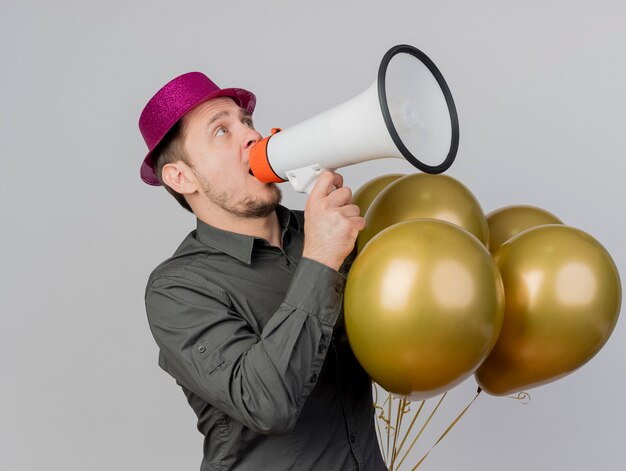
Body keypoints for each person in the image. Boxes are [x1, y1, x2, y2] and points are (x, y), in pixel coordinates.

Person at [139, 72, 386, 470]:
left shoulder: (323, 231)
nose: (251, 137)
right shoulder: (177, 290)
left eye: (246, 122)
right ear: (181, 177)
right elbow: (267, 404)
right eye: (221, 131)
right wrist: (322, 258)